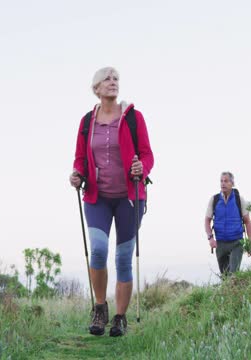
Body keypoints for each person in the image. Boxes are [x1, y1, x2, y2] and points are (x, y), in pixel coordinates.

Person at [69, 67, 154, 337]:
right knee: (97, 250)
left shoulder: (133, 118)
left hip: (130, 198)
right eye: (107, 79)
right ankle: (100, 308)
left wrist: (143, 168)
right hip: (98, 198)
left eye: (116, 79)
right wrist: (77, 174)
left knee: (123, 258)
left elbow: (148, 155)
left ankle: (119, 317)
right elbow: (80, 158)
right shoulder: (86, 122)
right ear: (96, 88)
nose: (113, 83)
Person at [204, 171, 251, 275]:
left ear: (232, 183)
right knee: (225, 277)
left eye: (226, 181)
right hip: (220, 244)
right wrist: (210, 238)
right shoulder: (214, 200)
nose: (223, 183)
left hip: (236, 243)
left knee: (233, 275)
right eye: (221, 181)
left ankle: (236, 288)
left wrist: (249, 242)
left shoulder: (239, 199)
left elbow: (247, 222)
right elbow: (207, 221)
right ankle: (234, 291)